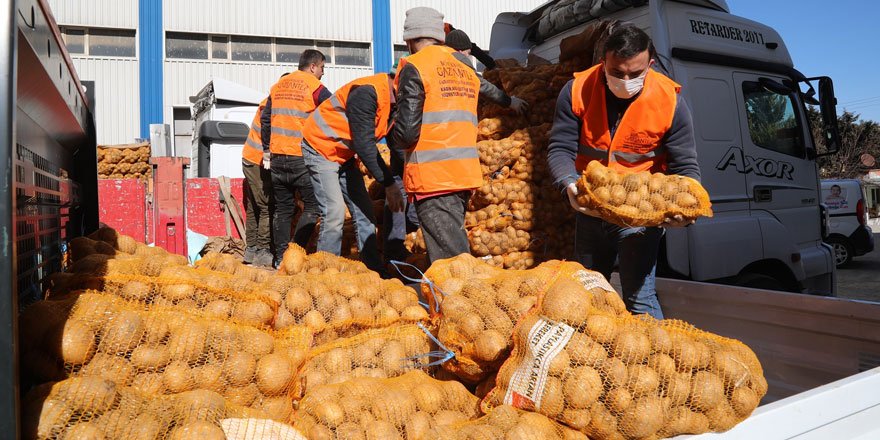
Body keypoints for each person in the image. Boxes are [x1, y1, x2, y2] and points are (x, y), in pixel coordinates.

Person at [546, 23, 700, 319]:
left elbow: (685, 166)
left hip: (639, 218)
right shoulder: (577, 90)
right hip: (591, 210)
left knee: (639, 298)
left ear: (650, 64)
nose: (625, 80)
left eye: (635, 73)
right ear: (603, 61)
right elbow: (560, 148)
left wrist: (685, 205)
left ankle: (651, 359)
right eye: (617, 72)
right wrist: (568, 184)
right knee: (587, 293)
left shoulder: (670, 101)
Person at [390, 7, 483, 264]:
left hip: (433, 179)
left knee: (451, 265)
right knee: (454, 251)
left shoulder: (416, 66)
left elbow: (407, 132)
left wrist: (393, 136)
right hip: (463, 172)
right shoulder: (464, 65)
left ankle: (462, 304)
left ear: (409, 39)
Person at [301, 73, 403, 274]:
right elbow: (365, 145)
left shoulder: (393, 103)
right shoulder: (366, 93)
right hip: (322, 147)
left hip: (344, 155)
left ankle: (372, 270)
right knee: (334, 212)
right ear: (397, 83)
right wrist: (389, 184)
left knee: (365, 212)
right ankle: (324, 274)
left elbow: (395, 143)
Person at [263, 50, 330, 267]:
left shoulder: (278, 86)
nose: (322, 74)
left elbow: (266, 120)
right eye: (322, 69)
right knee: (313, 207)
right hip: (301, 157)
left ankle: (280, 258)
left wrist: (267, 150)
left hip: (277, 157)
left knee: (283, 209)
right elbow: (334, 110)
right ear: (313, 67)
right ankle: (296, 251)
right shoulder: (314, 87)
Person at [444, 29, 529, 115]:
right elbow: (481, 85)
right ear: (460, 51)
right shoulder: (458, 63)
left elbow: (475, 50)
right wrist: (509, 102)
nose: (467, 56)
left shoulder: (439, 59)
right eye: (468, 53)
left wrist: (491, 64)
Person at [241, 98, 273, 266]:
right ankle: (262, 251)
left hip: (250, 158)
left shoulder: (266, 102)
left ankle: (251, 250)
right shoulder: (270, 105)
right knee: (265, 206)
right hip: (256, 160)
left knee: (254, 207)